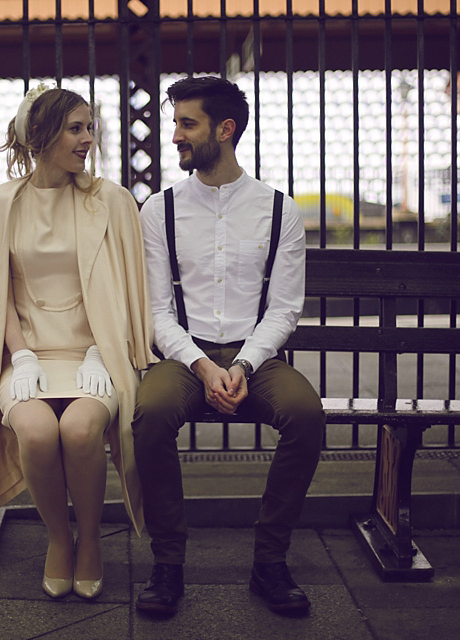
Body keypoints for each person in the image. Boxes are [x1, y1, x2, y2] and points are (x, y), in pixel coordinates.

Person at [0, 84, 156, 600]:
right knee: (38, 432)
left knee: (83, 428)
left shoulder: (111, 201)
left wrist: (101, 351)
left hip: (96, 354)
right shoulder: (1, 206)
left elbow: (131, 290)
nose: (89, 138)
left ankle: (90, 540)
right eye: (76, 128)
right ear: (40, 136)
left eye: (90, 127)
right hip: (28, 357)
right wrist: (19, 356)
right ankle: (59, 539)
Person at [132, 76, 326, 615]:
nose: (175, 136)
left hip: (255, 355)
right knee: (148, 413)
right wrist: (199, 364)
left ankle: (270, 562)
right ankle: (167, 564)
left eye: (186, 124)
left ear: (225, 129)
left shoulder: (279, 210)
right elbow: (156, 312)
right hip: (183, 352)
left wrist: (241, 363)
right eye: (175, 124)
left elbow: (285, 307)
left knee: (306, 414)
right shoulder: (159, 211)